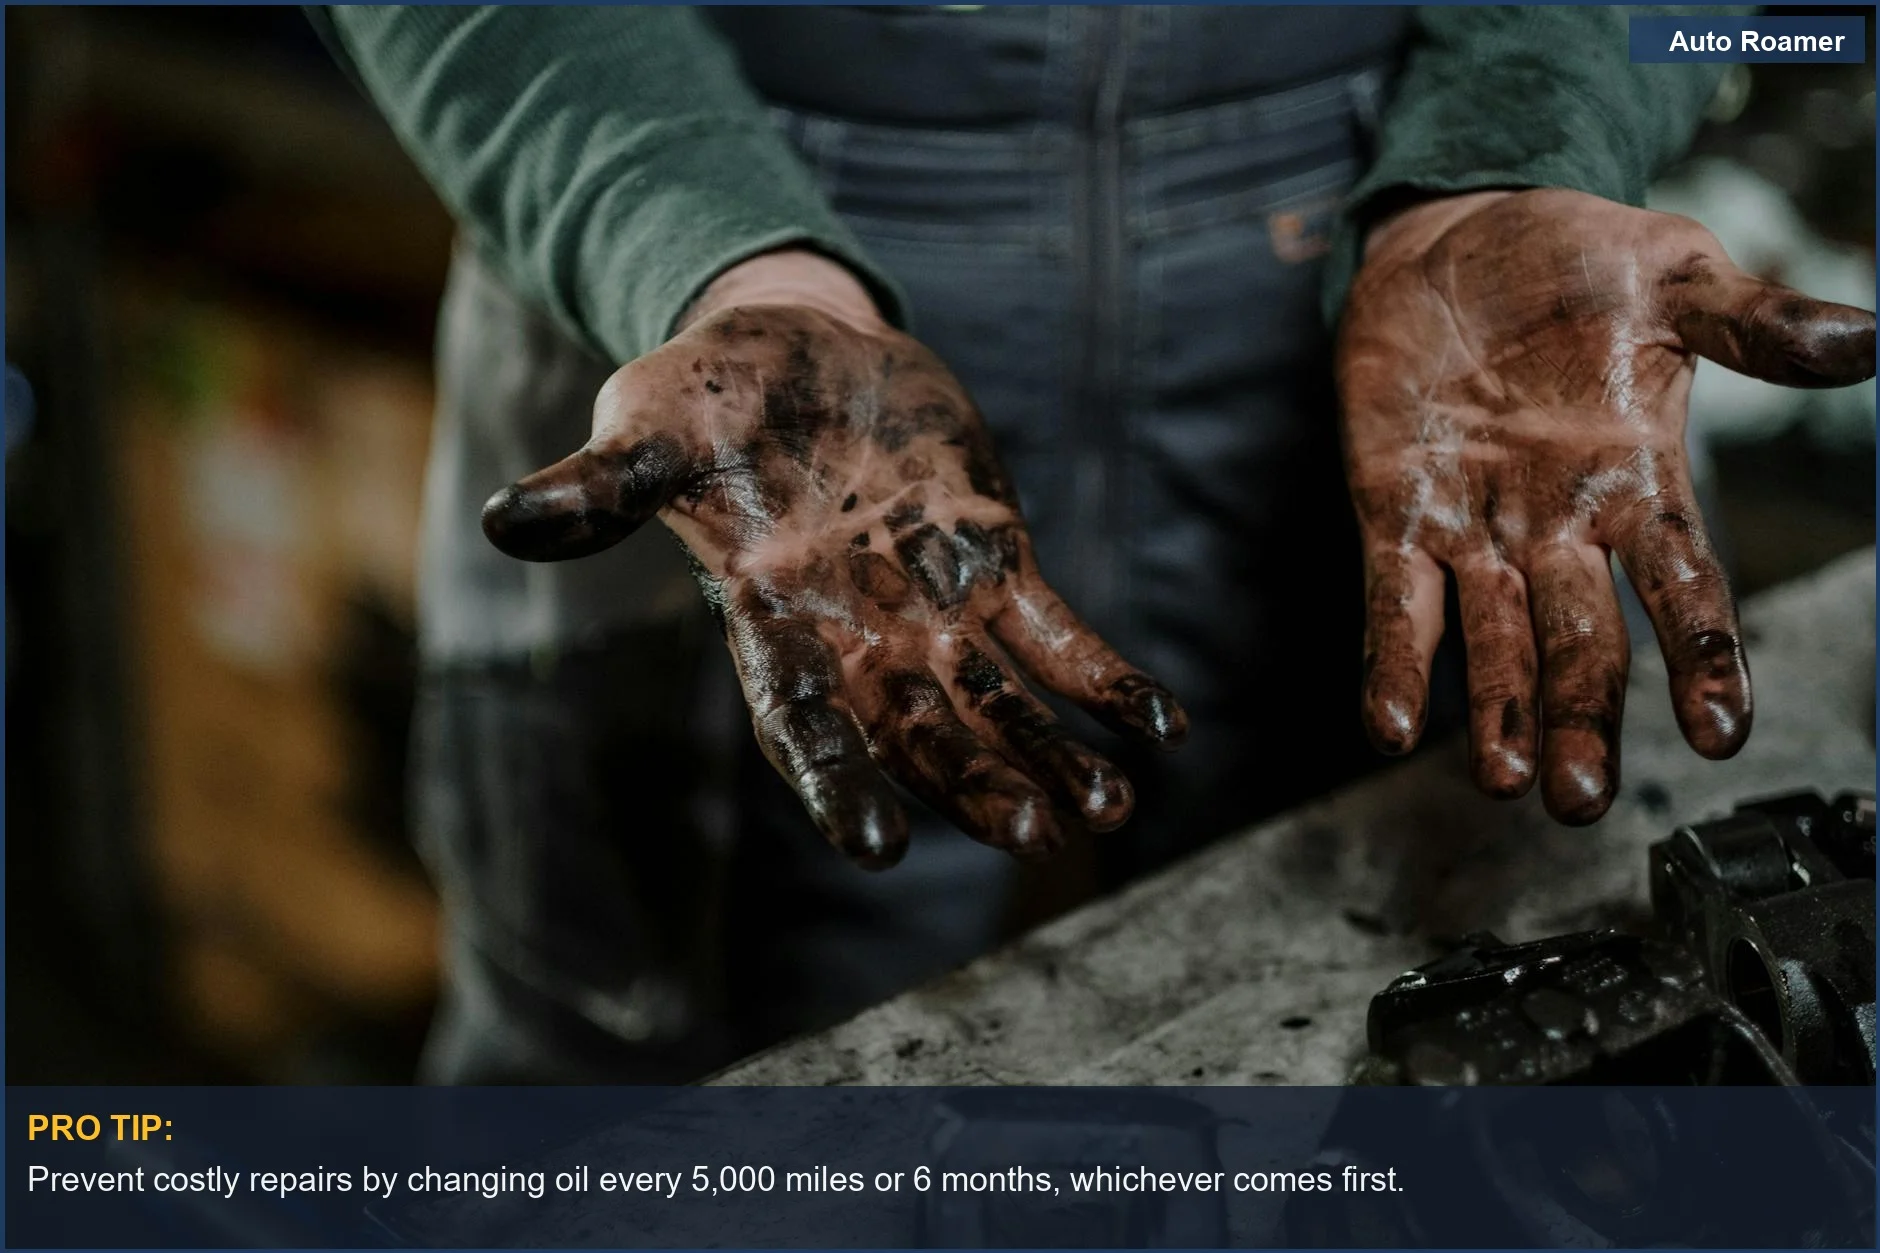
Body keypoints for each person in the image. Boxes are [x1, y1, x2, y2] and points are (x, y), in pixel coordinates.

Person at [309, 6, 1876, 1083]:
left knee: (1563, 1034)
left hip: (1440, 313)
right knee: (658, 1113)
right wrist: (688, 239)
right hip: (720, 319)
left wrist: (1527, 138)